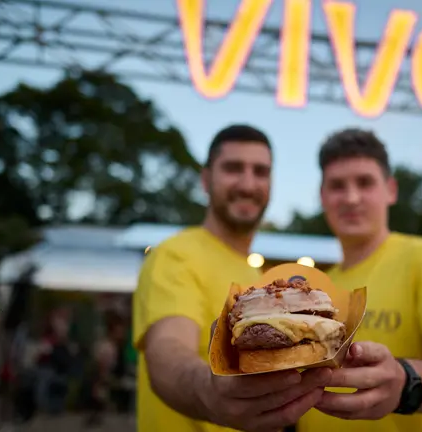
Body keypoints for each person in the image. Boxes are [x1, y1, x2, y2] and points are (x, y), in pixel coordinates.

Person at [132, 124, 332, 432]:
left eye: (260, 172)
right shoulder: (175, 255)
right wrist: (207, 392)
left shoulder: (255, 277)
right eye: (233, 168)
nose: (248, 184)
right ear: (205, 179)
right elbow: (167, 349)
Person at [295, 128, 422, 431]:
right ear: (322, 197)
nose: (351, 198)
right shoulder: (319, 288)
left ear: (390, 190)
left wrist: (405, 382)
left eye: (365, 183)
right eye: (337, 186)